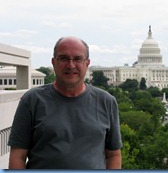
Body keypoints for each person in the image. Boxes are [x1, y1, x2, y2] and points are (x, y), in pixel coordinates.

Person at [8, 36, 123, 169]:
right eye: (63, 58)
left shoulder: (106, 102)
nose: (71, 65)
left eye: (78, 59)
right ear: (53, 62)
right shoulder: (32, 100)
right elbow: (18, 155)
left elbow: (114, 155)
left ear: (87, 63)